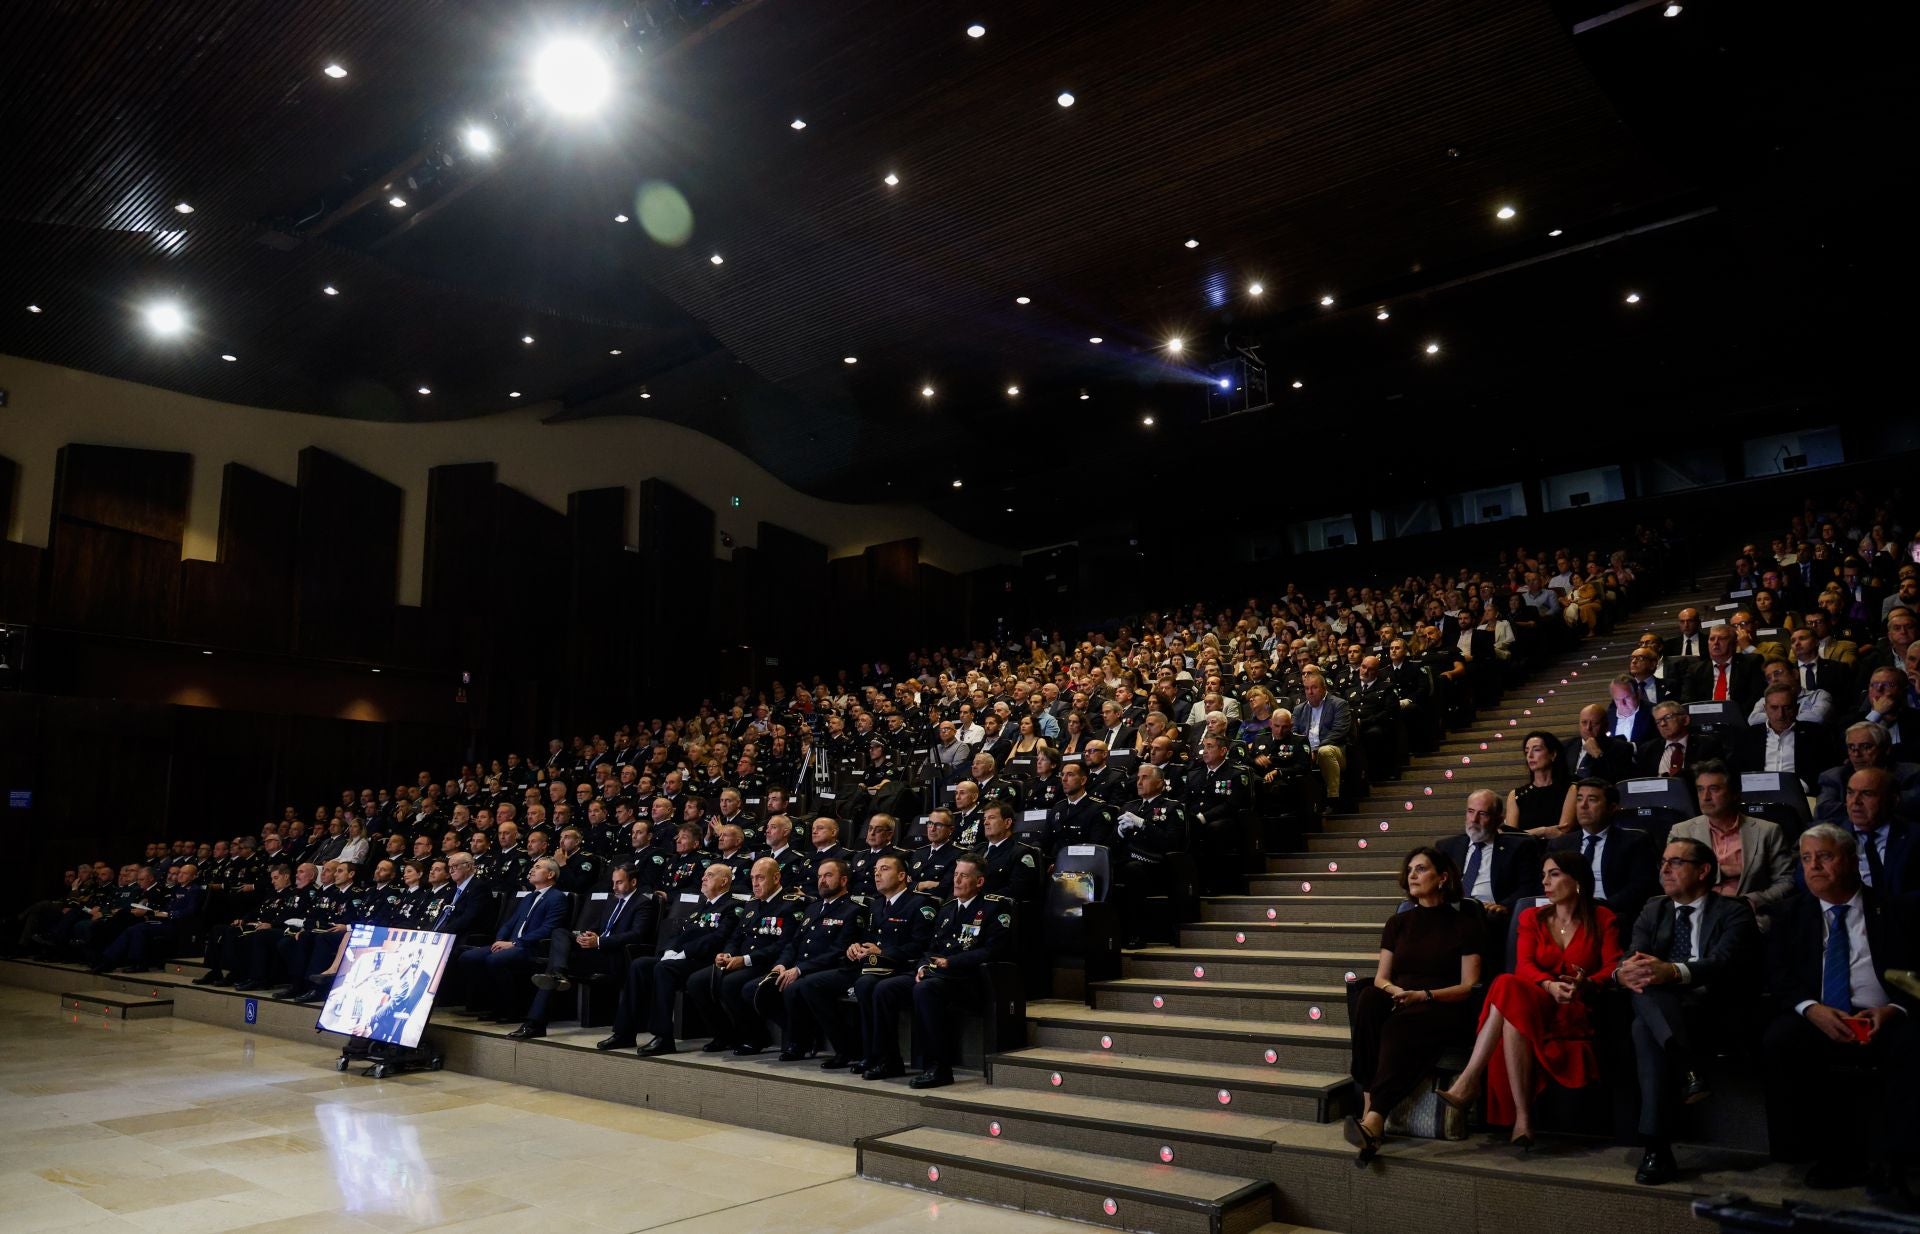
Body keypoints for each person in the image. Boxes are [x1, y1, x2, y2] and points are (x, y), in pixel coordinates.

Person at [1760, 825, 1916, 1204]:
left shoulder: (1894, 910)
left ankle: (1894, 1161)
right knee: (1778, 1041)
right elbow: (1777, 976)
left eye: (1825, 857)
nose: (1814, 867)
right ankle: (1821, 1152)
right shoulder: (1790, 914)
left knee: (1911, 1047)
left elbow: (1915, 975)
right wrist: (1810, 1009)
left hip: (1884, 1014)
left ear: (1851, 860)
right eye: (1807, 858)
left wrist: (1893, 1009)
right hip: (1819, 1014)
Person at [1436, 849, 1621, 1148]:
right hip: (1539, 999)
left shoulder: (1603, 918)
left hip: (1575, 1006)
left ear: (1577, 882)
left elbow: (1613, 966)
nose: (1545, 882)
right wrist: (1548, 986)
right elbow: (1524, 965)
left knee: (1511, 1010)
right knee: (1508, 983)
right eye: (1543, 875)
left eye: (1554, 874)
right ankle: (1518, 1114)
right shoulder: (1531, 917)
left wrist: (1587, 984)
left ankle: (1474, 1085)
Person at [1617, 837, 1760, 1185]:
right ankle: (1687, 1070)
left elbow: (1725, 964)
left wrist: (1674, 971)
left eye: (1676, 862)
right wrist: (1622, 972)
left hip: (1712, 1008)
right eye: (1663, 861)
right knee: (1645, 999)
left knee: (1643, 1023)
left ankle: (1656, 1147)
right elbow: (1635, 960)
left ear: (1703, 871)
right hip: (1666, 1008)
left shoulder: (1734, 910)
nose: (1665, 868)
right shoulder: (1654, 909)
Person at [1345, 846, 1484, 1166]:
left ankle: (1375, 1118)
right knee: (1367, 999)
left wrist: (1424, 995)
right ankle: (1369, 1106)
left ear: (1443, 877)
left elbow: (1469, 986)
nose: (1412, 875)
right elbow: (1381, 977)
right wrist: (1396, 992)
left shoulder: (1465, 924)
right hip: (1402, 995)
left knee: (1398, 1026)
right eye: (1410, 870)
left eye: (1421, 869)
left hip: (1442, 1002)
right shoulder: (1398, 922)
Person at [870, 854, 1014, 1090]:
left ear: (979, 882)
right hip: (938, 974)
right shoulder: (947, 908)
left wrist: (952, 962)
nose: (956, 881)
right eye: (955, 875)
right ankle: (889, 1060)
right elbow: (931, 947)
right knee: (884, 988)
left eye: (964, 876)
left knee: (925, 990)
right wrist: (922, 966)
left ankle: (938, 1067)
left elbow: (993, 951)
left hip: (968, 979)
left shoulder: (995, 907)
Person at [598, 862, 740, 1054]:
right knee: (640, 965)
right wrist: (668, 951)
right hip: (682, 958)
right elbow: (679, 933)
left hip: (706, 961)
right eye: (704, 875)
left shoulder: (732, 907)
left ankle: (663, 1037)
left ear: (724, 881)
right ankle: (624, 1032)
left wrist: (682, 953)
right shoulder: (702, 906)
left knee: (663, 969)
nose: (703, 878)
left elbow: (718, 938)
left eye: (710, 875)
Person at [510, 861, 655, 1039]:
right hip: (595, 951)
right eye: (613, 882)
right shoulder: (611, 901)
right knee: (560, 932)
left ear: (633, 882)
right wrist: (586, 935)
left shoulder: (642, 903)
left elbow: (636, 935)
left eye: (619, 882)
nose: (614, 886)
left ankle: (535, 1022)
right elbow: (598, 926)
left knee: (552, 971)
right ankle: (558, 973)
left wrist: (600, 941)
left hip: (614, 956)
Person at [684, 857, 804, 1055]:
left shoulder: (791, 905)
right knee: (696, 981)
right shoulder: (752, 904)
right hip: (741, 961)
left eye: (760, 878)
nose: (755, 883)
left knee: (730, 983)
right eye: (753, 878)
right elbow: (736, 936)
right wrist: (727, 953)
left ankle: (756, 1036)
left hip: (767, 963)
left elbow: (784, 945)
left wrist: (745, 960)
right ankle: (724, 1034)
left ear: (776, 877)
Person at [836, 854, 937, 1075]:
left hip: (906, 968)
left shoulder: (920, 904)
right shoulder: (876, 905)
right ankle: (872, 1054)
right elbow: (869, 938)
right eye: (875, 871)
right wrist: (857, 947)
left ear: (902, 876)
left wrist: (884, 952)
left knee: (878, 987)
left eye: (884, 869)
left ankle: (890, 1060)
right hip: (878, 968)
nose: (877, 874)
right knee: (863, 984)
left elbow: (921, 946)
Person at [1668, 761, 1795, 929]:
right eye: (1700, 789)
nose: (1705, 797)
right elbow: (1672, 879)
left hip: (1749, 918)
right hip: (1696, 916)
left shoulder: (1768, 831)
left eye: (1714, 789)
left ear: (1734, 793)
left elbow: (1786, 881)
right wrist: (1721, 871)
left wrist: (1752, 900)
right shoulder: (1681, 832)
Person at [449, 857, 569, 1022]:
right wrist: (499, 940)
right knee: (468, 958)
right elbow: (509, 923)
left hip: (531, 947)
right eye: (532, 866)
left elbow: (548, 929)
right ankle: (493, 1004)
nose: (532, 870)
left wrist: (513, 943)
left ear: (550, 874)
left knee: (495, 960)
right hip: (510, 945)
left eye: (538, 867)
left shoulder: (557, 897)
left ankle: (511, 1010)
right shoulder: (528, 898)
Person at [1436, 791, 1542, 922]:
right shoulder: (1447, 847)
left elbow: (1528, 886)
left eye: (1482, 814)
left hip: (1491, 916)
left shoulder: (1519, 846)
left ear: (1498, 820)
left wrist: (1504, 906)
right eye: (1470, 811)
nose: (1474, 819)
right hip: (1452, 915)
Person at [1506, 731, 1571, 839]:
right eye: (1527, 751)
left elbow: (1562, 833)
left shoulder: (1570, 789)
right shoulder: (1516, 795)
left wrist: (1527, 833)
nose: (1530, 756)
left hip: (1559, 852)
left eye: (1536, 750)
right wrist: (1543, 831)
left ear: (1553, 754)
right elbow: (1510, 838)